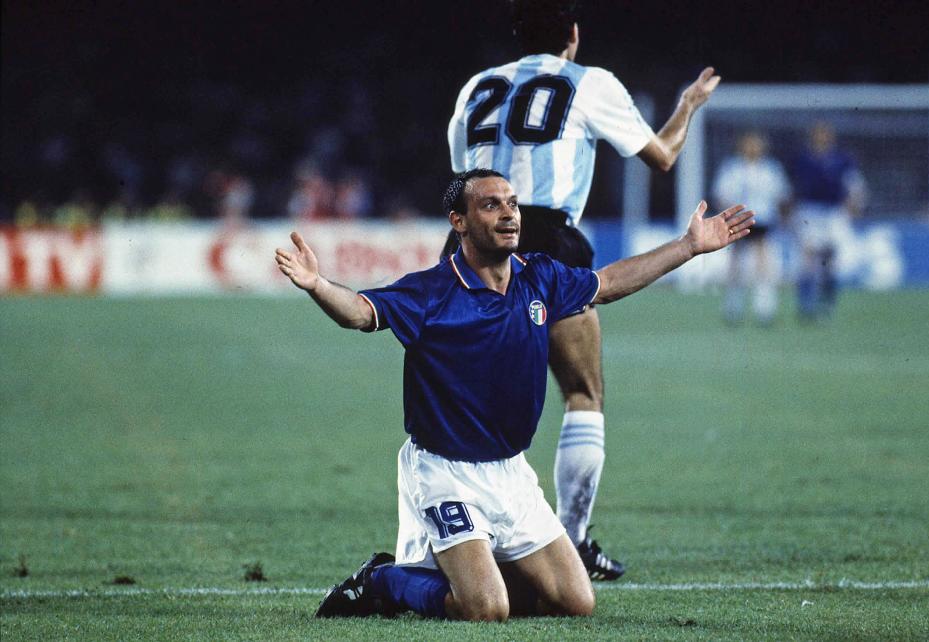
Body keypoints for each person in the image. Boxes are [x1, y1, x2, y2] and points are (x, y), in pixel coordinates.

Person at [275, 169, 754, 621]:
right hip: (445, 472)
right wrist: (317, 284)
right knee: (485, 609)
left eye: (512, 203)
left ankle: (463, 571)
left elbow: (607, 284)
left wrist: (689, 246)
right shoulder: (432, 291)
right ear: (458, 222)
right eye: (490, 205)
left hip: (511, 473)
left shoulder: (540, 276)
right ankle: (381, 579)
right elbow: (360, 313)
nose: (509, 214)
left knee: (575, 601)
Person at [442, 0, 721, 580]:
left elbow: (461, 177)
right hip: (544, 235)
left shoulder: (476, 86)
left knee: (463, 404)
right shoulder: (589, 83)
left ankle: (457, 539)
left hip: (469, 245)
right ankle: (570, 545)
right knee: (582, 391)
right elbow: (663, 156)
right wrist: (687, 107)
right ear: (573, 34)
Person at [712, 131, 791, 325]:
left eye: (756, 144)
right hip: (739, 220)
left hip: (763, 220)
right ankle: (733, 308)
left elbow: (782, 196)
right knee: (736, 265)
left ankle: (764, 309)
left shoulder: (771, 169)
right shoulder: (732, 168)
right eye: (749, 144)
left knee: (764, 266)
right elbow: (721, 195)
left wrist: (783, 218)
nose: (753, 148)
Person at [790, 122, 867, 321]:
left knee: (829, 260)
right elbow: (793, 187)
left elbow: (854, 183)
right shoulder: (803, 158)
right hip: (809, 210)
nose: (821, 138)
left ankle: (827, 304)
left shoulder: (842, 159)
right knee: (807, 258)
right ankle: (805, 305)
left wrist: (855, 203)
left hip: (833, 212)